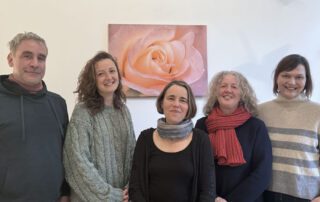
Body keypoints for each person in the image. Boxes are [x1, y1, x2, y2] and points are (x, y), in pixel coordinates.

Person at [0, 32, 69, 201]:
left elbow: (67, 154)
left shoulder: (58, 103)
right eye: (27, 56)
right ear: (10, 59)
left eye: (41, 58)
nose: (35, 64)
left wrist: (66, 193)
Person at [63, 51, 136, 202]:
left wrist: (129, 188)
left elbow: (131, 154)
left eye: (112, 71)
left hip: (121, 197)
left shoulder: (123, 111)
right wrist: (110, 195)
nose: (109, 77)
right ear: (92, 80)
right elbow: (77, 161)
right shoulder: (83, 111)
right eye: (101, 74)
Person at [129, 80, 216, 202]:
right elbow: (135, 186)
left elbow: (208, 190)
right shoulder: (145, 138)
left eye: (182, 100)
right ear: (162, 103)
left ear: (189, 106)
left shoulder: (201, 140)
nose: (176, 104)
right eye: (171, 98)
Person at [195, 71, 272, 202]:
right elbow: (197, 167)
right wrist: (212, 197)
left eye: (234, 87)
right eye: (223, 86)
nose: (228, 90)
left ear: (243, 94)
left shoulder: (256, 126)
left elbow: (262, 172)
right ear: (216, 91)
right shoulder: (202, 125)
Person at [258, 54, 320, 202]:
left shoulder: (317, 112)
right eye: (286, 75)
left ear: (307, 80)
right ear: (276, 78)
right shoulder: (260, 111)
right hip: (265, 194)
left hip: (306, 196)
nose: (292, 82)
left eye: (299, 77)